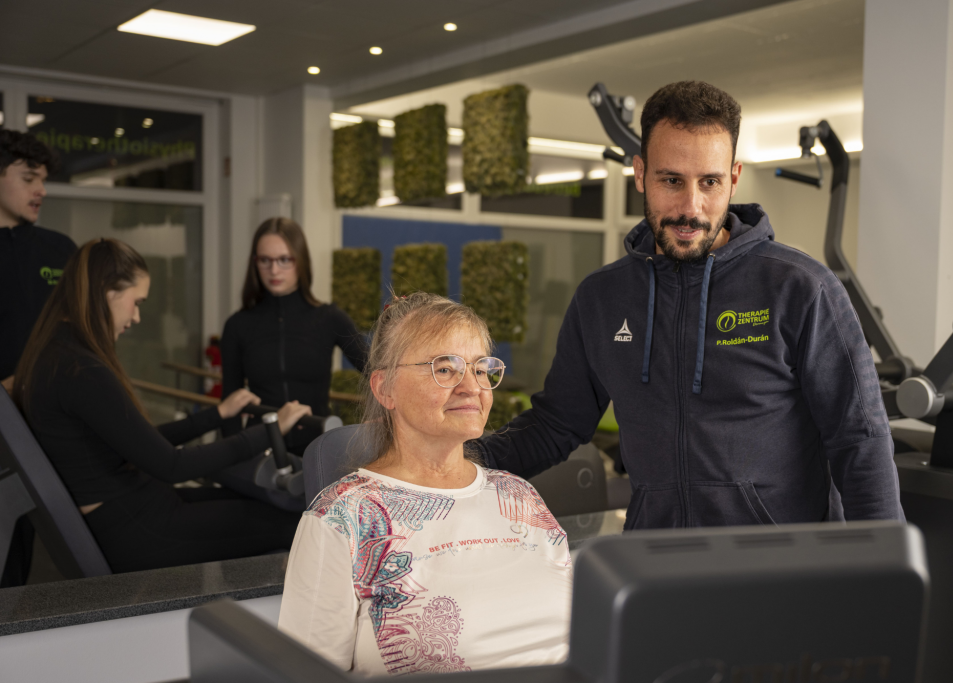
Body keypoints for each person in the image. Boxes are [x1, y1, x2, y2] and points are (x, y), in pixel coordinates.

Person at [477, 80, 903, 529]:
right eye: (671, 181)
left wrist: (883, 571)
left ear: (734, 178)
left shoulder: (801, 288)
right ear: (641, 173)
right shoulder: (602, 298)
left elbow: (859, 439)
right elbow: (556, 425)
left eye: (710, 182)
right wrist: (460, 460)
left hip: (779, 572)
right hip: (656, 566)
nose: (690, 206)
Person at [278, 293, 572, 675]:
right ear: (385, 389)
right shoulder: (342, 519)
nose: (473, 386)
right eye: (445, 369)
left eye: (481, 368)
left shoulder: (520, 496)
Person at [12, 238, 313, 573]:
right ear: (105, 292)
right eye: (136, 302)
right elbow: (172, 466)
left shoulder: (57, 356)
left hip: (139, 509)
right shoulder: (80, 371)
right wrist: (271, 430)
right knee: (295, 523)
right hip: (137, 529)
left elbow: (141, 440)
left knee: (265, 508)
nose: (137, 316)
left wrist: (217, 415)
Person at [221, 217, 368, 453]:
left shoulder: (329, 318)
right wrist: (232, 460)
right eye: (265, 260)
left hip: (317, 448)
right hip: (259, 447)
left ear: (300, 261)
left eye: (284, 260)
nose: (274, 270)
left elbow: (379, 373)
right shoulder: (238, 325)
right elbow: (229, 402)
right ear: (255, 263)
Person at [0, 129, 74, 587]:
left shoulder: (59, 250)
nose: (40, 190)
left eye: (43, 180)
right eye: (29, 178)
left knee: (23, 550)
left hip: (41, 430)